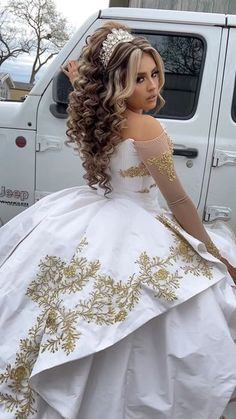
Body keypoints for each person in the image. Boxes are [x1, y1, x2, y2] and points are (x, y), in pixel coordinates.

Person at [0, 21, 236, 419]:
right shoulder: (147, 126)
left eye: (155, 74)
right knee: (150, 311)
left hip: (93, 210)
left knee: (75, 305)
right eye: (138, 78)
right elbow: (177, 198)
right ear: (118, 83)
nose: (152, 86)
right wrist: (211, 251)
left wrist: (79, 81)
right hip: (137, 218)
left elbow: (83, 98)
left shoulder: (97, 115)